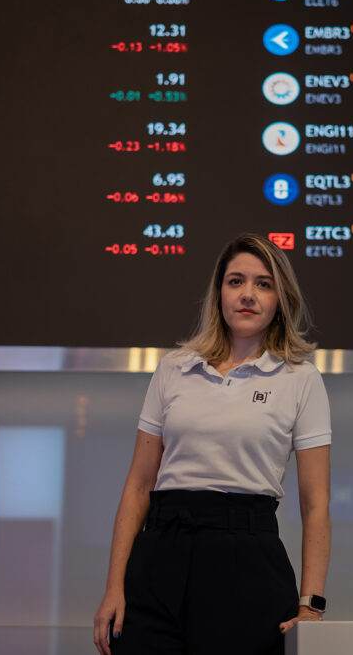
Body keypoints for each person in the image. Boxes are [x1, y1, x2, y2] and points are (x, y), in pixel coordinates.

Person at [93, 233, 332, 655]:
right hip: (160, 556)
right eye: (235, 281)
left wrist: (311, 606)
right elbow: (137, 486)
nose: (248, 294)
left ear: (280, 299)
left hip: (248, 560)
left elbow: (316, 504)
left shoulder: (301, 378)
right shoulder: (174, 368)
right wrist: (115, 587)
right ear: (218, 292)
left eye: (263, 284)